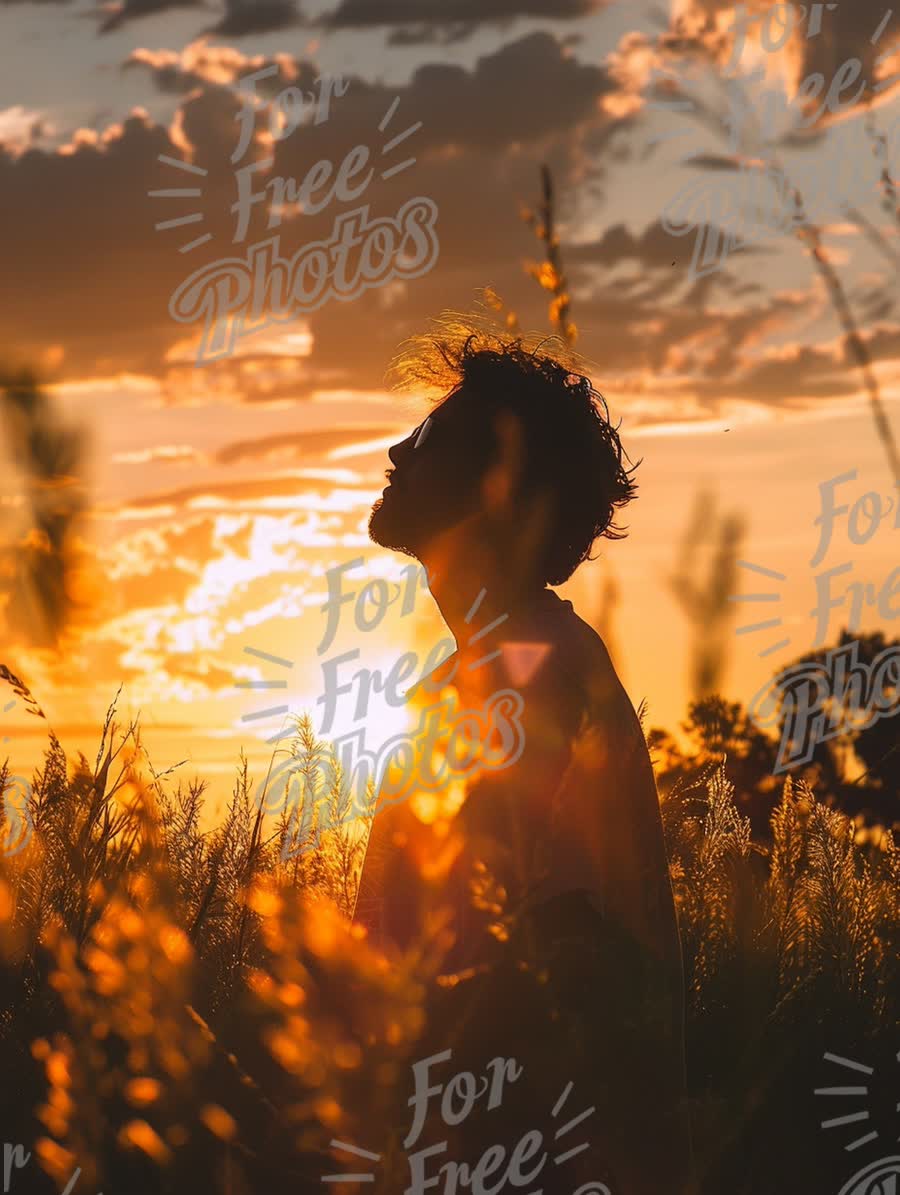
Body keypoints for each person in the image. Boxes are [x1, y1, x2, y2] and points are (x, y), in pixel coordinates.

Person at [353, 318, 695, 1194]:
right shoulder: (486, 672)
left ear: (490, 488)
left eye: (427, 438)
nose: (396, 451)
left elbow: (542, 958)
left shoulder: (529, 673)